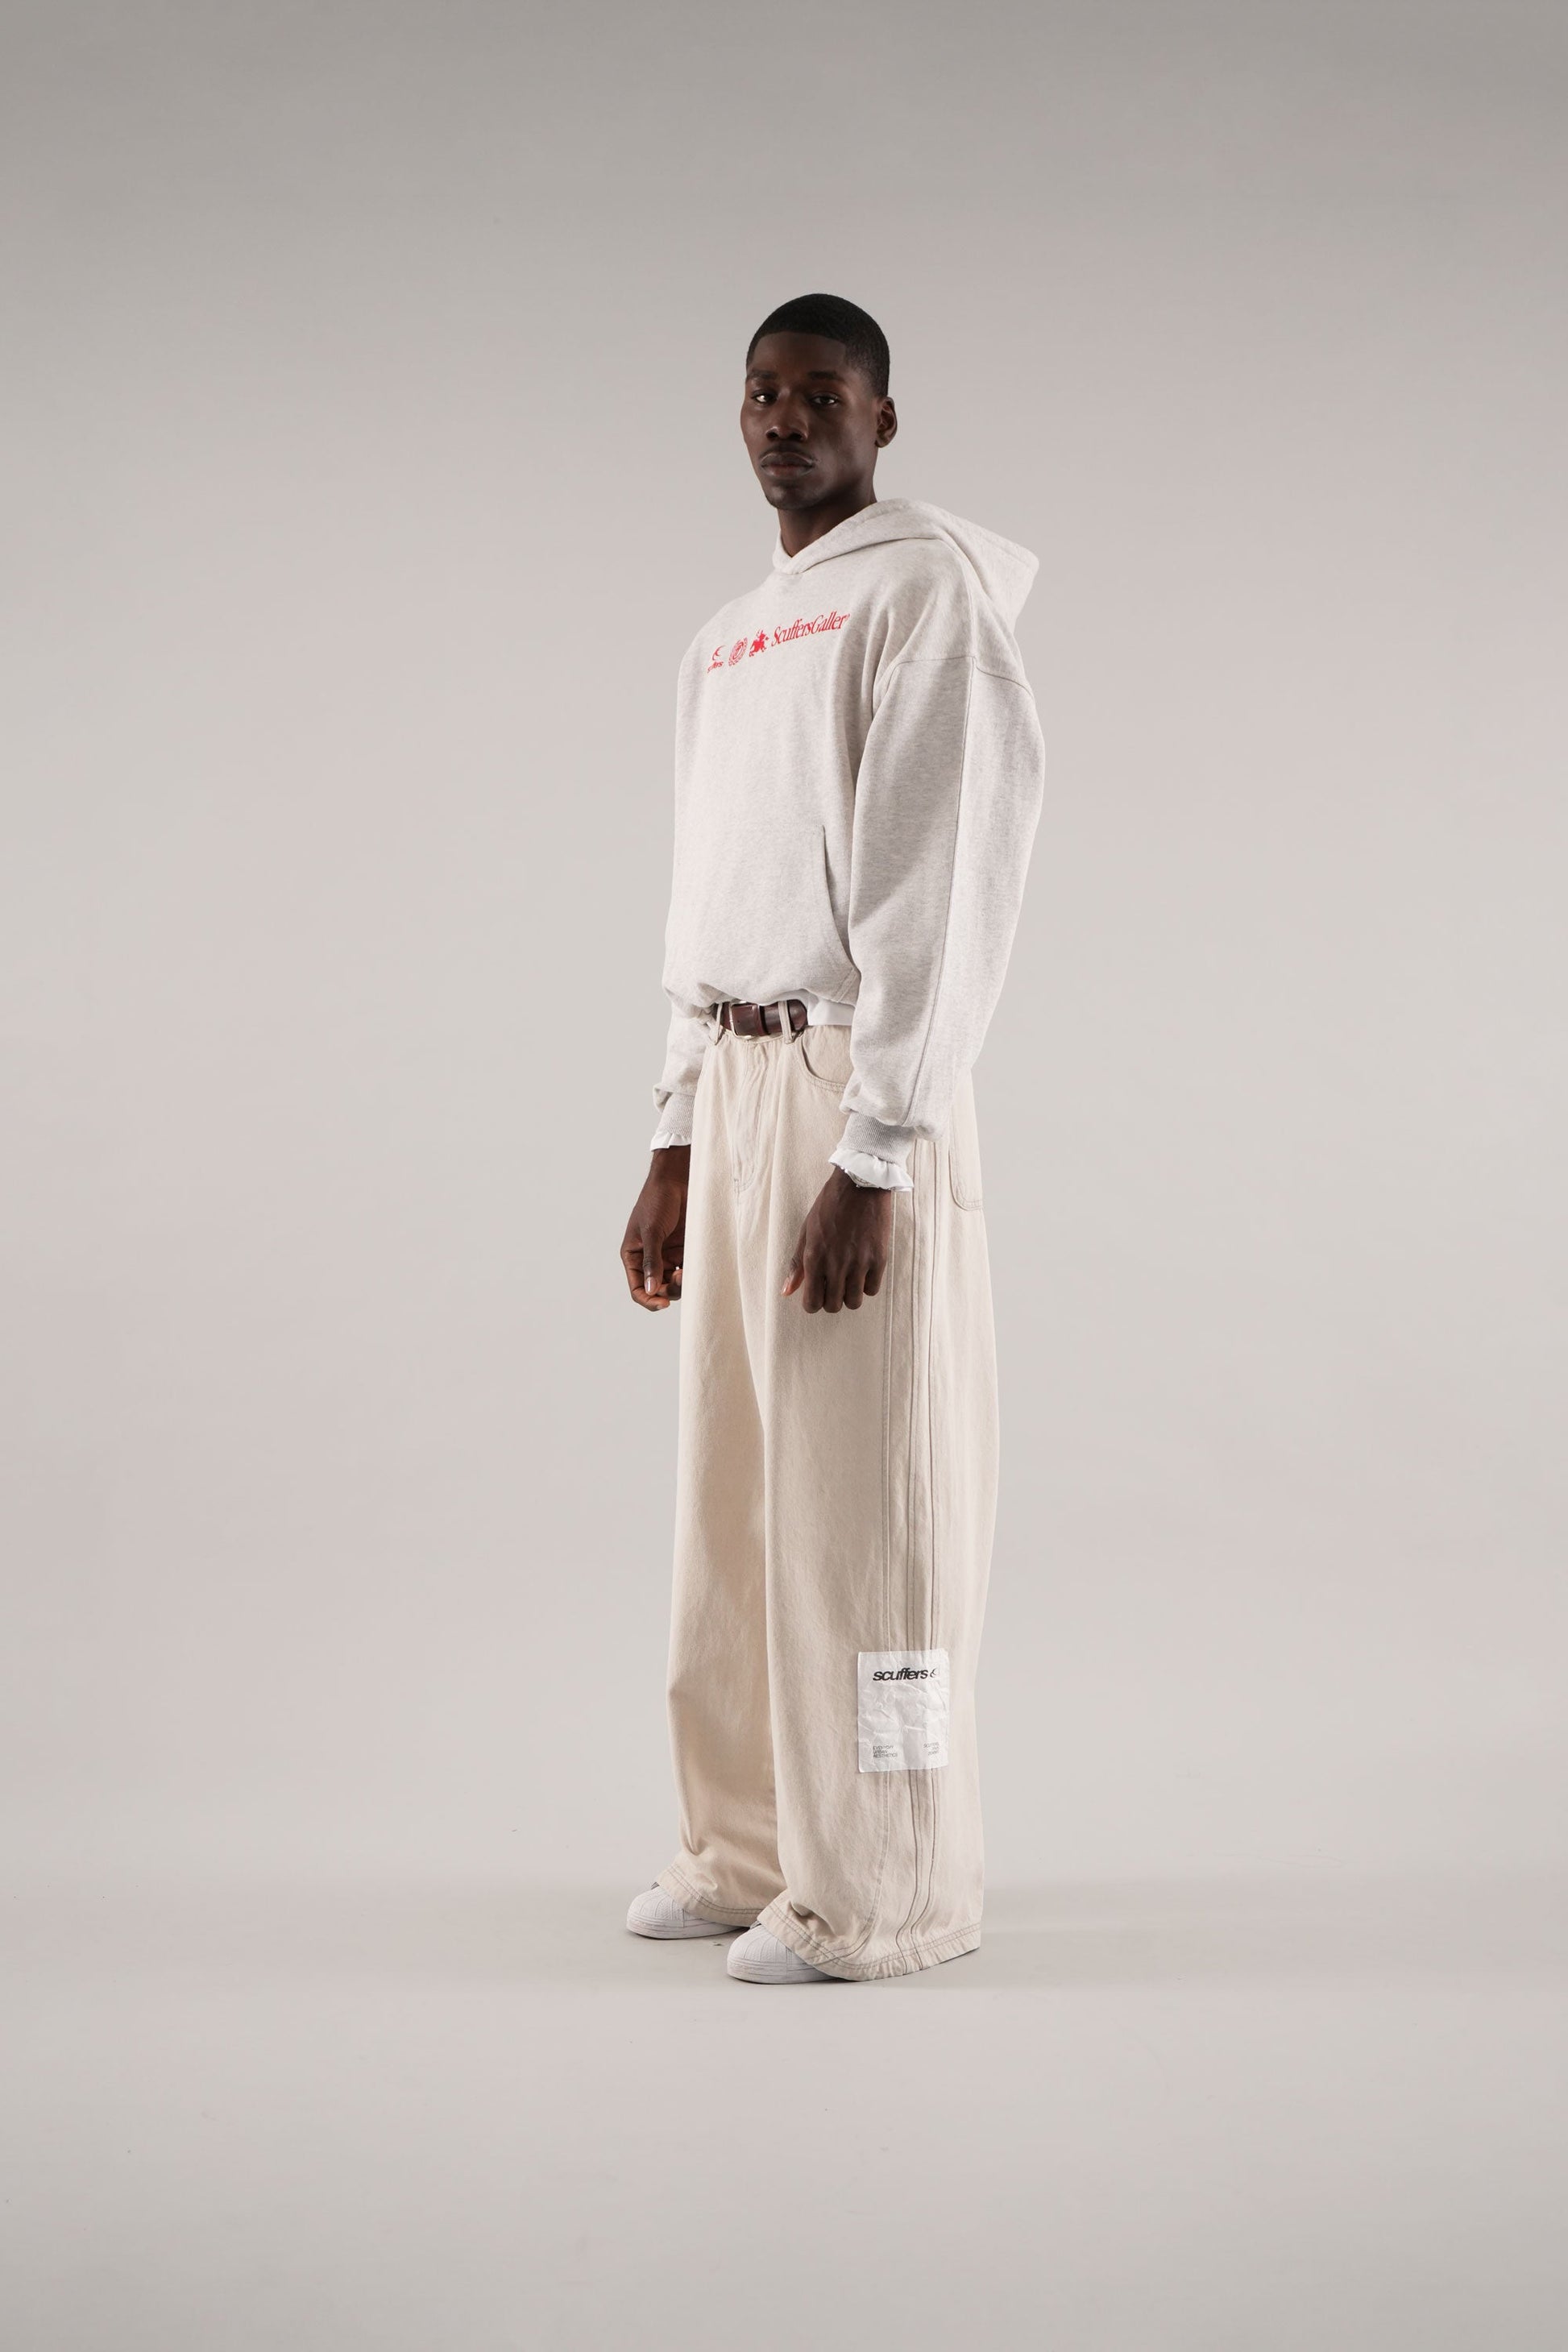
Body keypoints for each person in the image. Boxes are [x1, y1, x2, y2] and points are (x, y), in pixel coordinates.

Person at [619, 292, 1044, 1983]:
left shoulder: (925, 594)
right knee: (728, 1494)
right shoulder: (727, 638)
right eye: (759, 395)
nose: (783, 419)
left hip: (851, 1080)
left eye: (819, 393)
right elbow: (702, 886)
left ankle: (886, 1889)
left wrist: (877, 1148)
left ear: (881, 419)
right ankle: (744, 1847)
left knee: (864, 1496)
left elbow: (943, 879)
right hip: (731, 1081)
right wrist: (672, 1130)